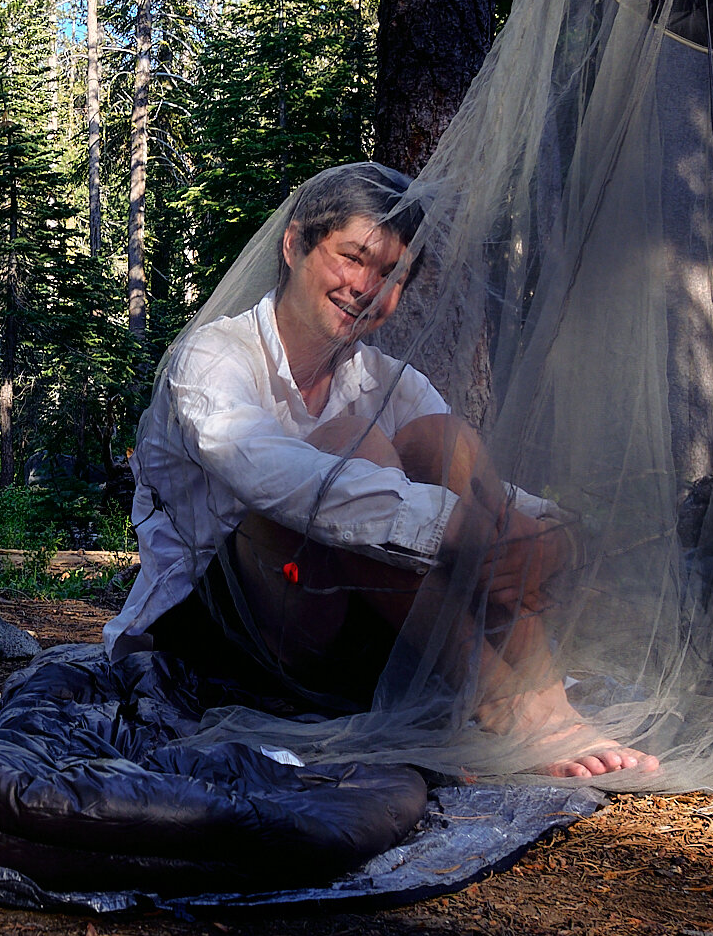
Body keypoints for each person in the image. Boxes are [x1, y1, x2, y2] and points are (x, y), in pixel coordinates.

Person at [105, 162, 658, 779]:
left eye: (391, 272)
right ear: (294, 246)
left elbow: (478, 488)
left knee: (440, 438)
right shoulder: (211, 357)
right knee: (350, 447)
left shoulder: (382, 380)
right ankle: (500, 698)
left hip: (357, 634)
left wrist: (548, 533)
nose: (366, 286)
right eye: (352, 257)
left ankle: (540, 694)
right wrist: (456, 526)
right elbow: (263, 469)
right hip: (227, 641)